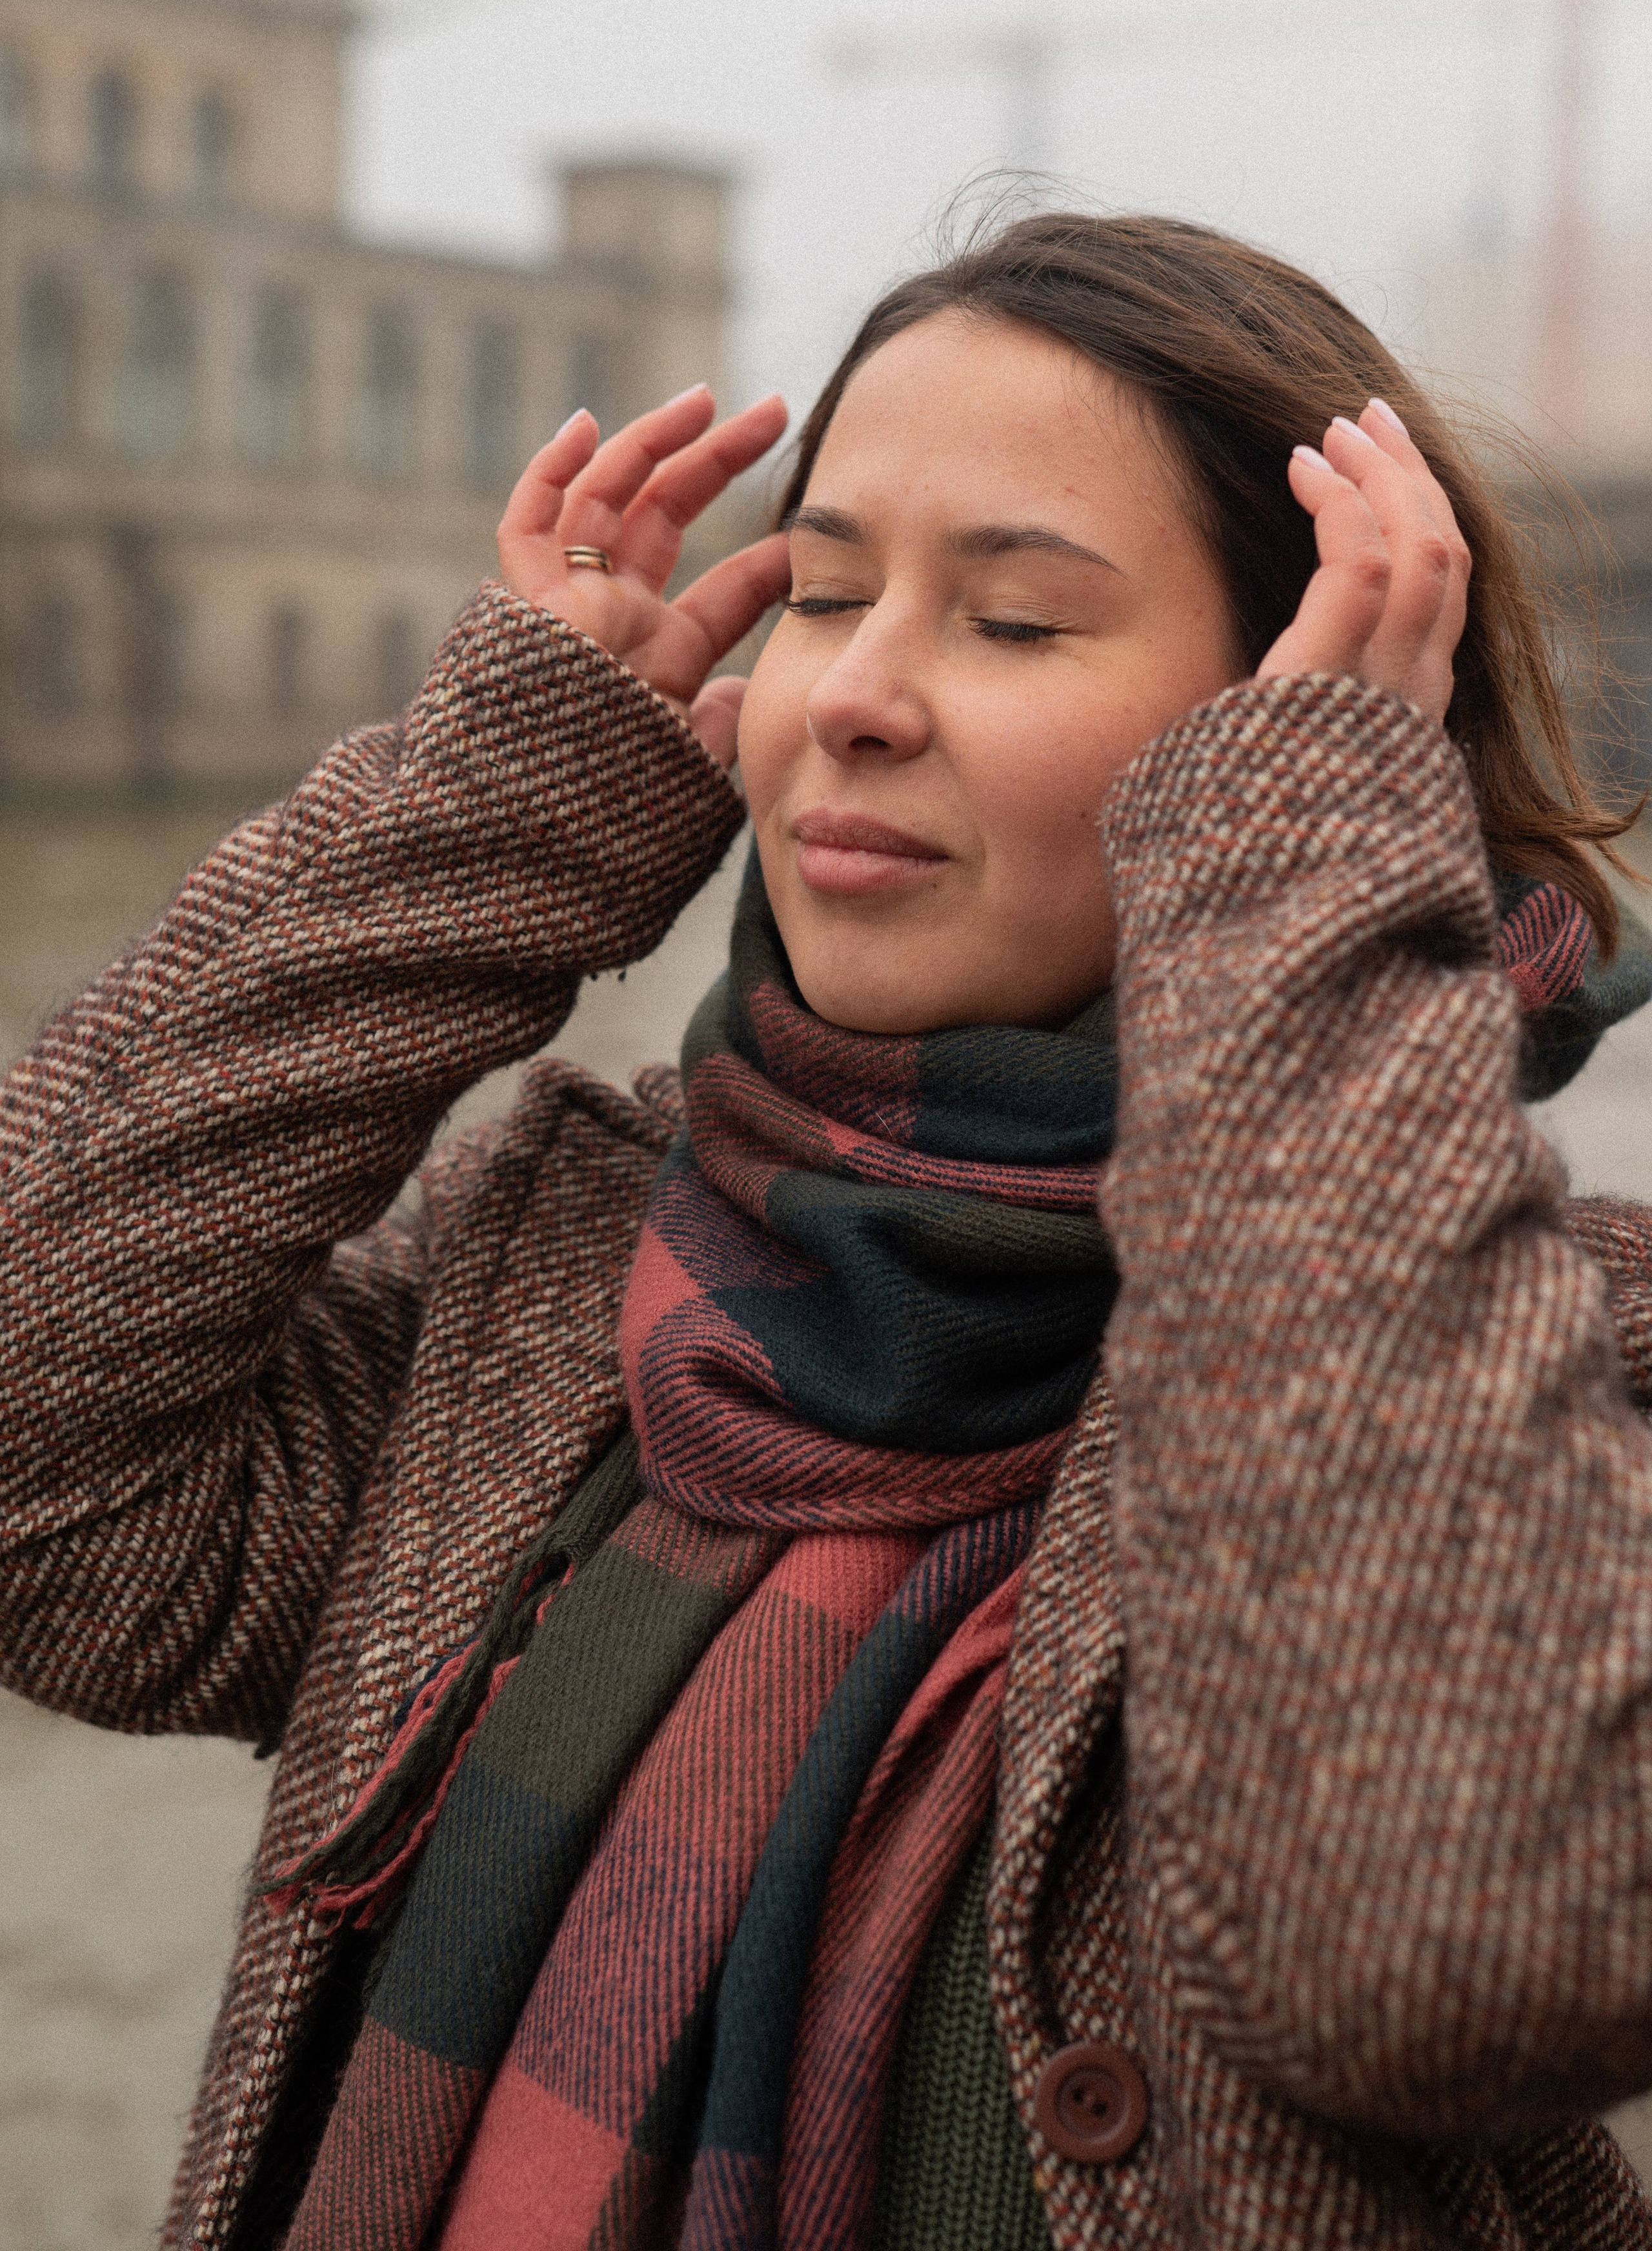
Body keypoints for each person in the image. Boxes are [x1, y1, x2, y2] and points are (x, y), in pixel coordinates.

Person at [5, 210, 1652, 2251]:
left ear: (1299, 729)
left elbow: (1450, 1960)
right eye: (829, 590)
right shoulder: (546, 1310)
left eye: (1017, 624)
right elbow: (42, 1487)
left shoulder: (1571, 1388)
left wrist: (1304, 913)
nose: (852, 700)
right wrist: (494, 816)